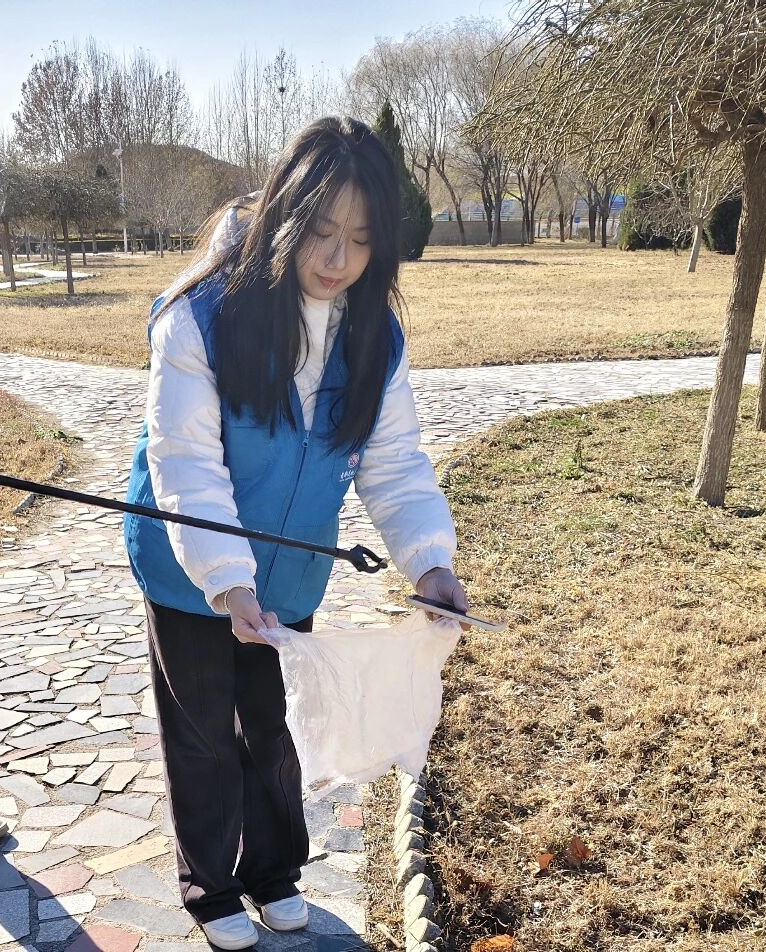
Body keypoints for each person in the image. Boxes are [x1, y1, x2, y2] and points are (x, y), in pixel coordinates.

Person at [124, 116, 469, 949]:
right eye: (321, 229)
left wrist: (430, 563)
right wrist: (225, 579)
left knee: (274, 725)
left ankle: (275, 872)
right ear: (285, 212)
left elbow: (394, 462)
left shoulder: (375, 337)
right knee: (204, 733)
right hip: (188, 568)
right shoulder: (202, 316)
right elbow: (187, 461)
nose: (337, 257)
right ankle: (210, 885)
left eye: (361, 238)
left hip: (290, 573)